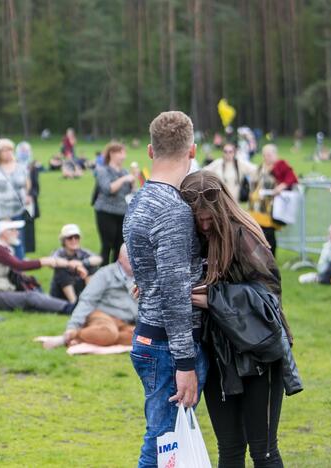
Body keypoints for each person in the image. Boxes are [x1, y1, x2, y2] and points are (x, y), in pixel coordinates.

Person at [181, 170, 302, 468]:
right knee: (230, 449)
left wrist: (216, 298)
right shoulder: (190, 239)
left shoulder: (243, 234)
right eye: (198, 218)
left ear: (221, 209)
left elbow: (269, 298)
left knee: (264, 451)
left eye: (210, 218)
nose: (204, 224)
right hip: (218, 353)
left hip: (259, 353)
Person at [123, 111, 206, 467]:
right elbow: (175, 293)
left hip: (149, 337)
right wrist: (185, 363)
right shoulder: (174, 210)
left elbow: (143, 270)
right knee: (163, 446)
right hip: (167, 346)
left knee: (164, 441)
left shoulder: (138, 201)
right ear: (192, 151)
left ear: (150, 151)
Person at [39, 245, 137, 349]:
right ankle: (70, 336)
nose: (134, 263)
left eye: (137, 259)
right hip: (102, 316)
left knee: (140, 338)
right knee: (109, 333)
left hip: (125, 322)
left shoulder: (142, 277)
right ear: (120, 258)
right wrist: (73, 326)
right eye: (130, 259)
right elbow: (87, 300)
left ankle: (84, 339)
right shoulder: (105, 273)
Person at [0, 220, 72, 321]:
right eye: (13, 230)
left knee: (34, 300)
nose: (17, 232)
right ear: (4, 233)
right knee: (30, 297)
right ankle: (69, 308)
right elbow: (19, 265)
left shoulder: (4, 249)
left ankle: (66, 307)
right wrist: (45, 261)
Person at [248, 144, 299, 255]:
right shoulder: (261, 167)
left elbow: (292, 177)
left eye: (269, 154)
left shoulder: (280, 165)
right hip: (256, 208)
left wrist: (282, 186)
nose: (267, 157)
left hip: (269, 208)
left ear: (275, 154)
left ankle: (271, 259)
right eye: (264, 155)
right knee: (257, 233)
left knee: (269, 234)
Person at [0, 138, 31, 259]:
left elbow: (27, 186)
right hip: (2, 214)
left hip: (19, 211)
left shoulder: (21, 168)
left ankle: (20, 266)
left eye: (10, 149)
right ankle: (6, 265)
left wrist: (26, 197)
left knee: (19, 241)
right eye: (4, 150)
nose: (8, 152)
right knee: (5, 242)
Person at [93, 141, 135, 265]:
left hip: (122, 213)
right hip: (106, 212)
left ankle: (116, 275)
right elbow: (108, 189)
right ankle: (104, 273)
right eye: (120, 152)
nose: (123, 155)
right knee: (107, 245)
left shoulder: (125, 172)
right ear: (111, 153)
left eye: (124, 152)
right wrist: (124, 179)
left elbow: (130, 192)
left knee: (120, 246)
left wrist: (133, 183)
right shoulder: (102, 170)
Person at [49, 224, 101, 304]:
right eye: (70, 238)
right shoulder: (59, 252)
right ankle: (73, 303)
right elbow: (52, 262)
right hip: (60, 295)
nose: (74, 240)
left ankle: (90, 300)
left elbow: (98, 259)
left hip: (78, 288)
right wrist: (74, 266)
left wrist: (82, 263)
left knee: (91, 266)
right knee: (61, 269)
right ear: (64, 240)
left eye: (76, 237)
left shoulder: (83, 252)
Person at [16, 141, 41, 253]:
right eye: (22, 151)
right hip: (16, 200)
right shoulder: (14, 166)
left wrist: (31, 196)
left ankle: (29, 248)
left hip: (29, 201)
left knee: (29, 223)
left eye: (26, 151)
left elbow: (36, 186)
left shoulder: (32, 168)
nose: (24, 154)